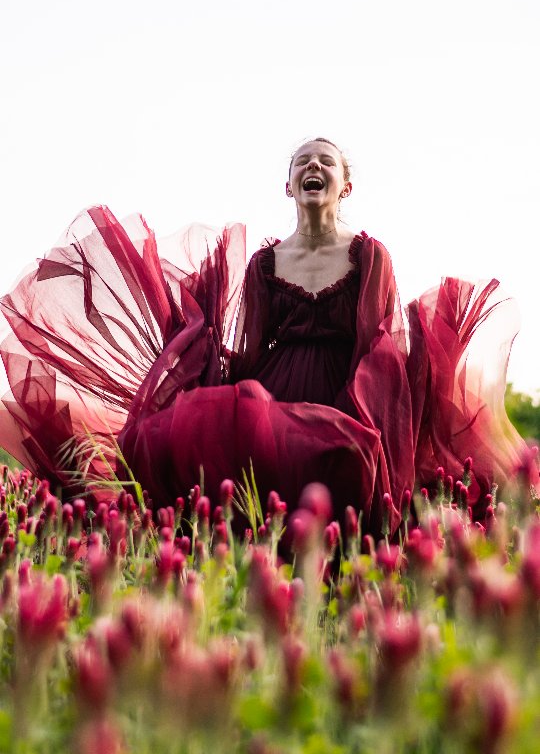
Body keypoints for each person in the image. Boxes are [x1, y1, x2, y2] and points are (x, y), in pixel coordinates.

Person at [0, 139, 523, 534]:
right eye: (302, 164)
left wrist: (352, 411)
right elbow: (251, 350)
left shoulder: (370, 255)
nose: (312, 167)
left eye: (325, 162)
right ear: (289, 186)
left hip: (351, 390)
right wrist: (210, 386)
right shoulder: (263, 263)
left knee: (342, 500)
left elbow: (377, 344)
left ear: (345, 186)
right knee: (245, 496)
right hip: (275, 389)